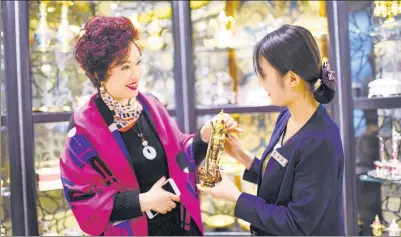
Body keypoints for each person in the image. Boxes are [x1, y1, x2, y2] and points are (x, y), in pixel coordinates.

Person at [59, 16, 242, 236]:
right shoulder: (84, 126)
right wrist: (144, 202)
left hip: (180, 227)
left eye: (138, 63)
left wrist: (204, 136)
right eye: (125, 67)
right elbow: (83, 198)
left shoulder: (150, 105)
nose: (136, 74)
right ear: (99, 73)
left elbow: (180, 158)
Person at [197, 24, 346, 236]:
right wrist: (242, 156)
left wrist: (236, 198)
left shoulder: (320, 141)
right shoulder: (287, 116)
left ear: (292, 79)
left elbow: (297, 224)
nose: (259, 82)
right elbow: (283, 182)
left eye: (264, 75)